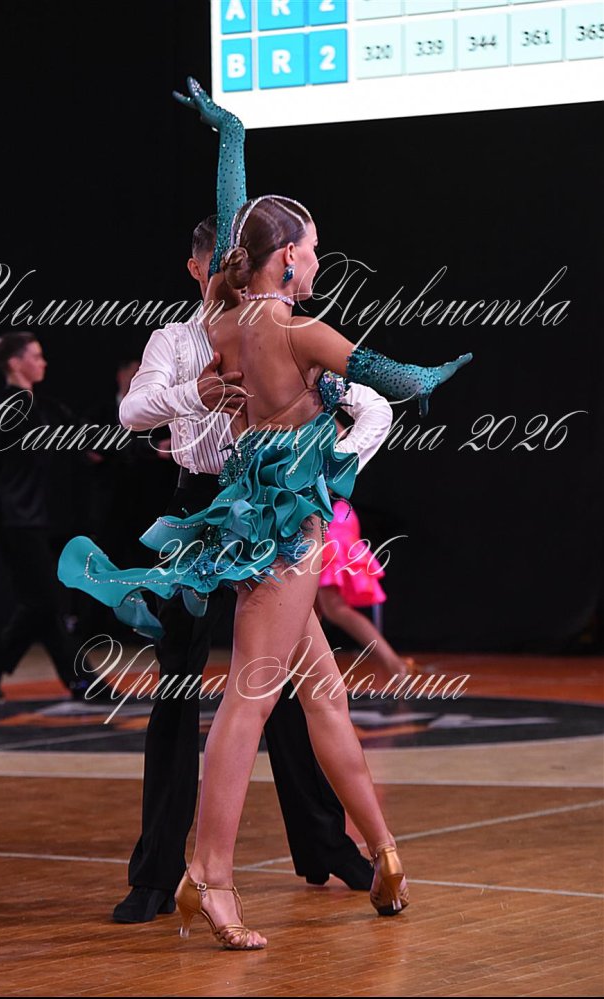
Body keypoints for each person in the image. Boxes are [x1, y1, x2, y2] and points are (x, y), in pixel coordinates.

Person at [57, 83, 473, 950]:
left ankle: (385, 851)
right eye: (312, 250)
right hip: (283, 535)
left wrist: (233, 135)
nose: (319, 261)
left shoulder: (226, 323)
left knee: (324, 695)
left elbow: (235, 224)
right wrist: (433, 378)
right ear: (285, 258)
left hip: (252, 519)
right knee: (248, 703)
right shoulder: (302, 333)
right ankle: (208, 878)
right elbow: (393, 377)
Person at [111, 214, 396, 923]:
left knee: (295, 690)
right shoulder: (178, 339)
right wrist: (195, 394)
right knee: (182, 686)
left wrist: (323, 472)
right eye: (218, 261)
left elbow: (374, 404)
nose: (230, 272)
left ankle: (327, 844)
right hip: (198, 512)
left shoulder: (282, 331)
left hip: (274, 516)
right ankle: (161, 872)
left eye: (237, 258)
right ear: (198, 267)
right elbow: (132, 411)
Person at [0, 333, 107, 701]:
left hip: (42, 517)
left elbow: (80, 434)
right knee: (48, 601)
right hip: (14, 517)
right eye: (36, 356)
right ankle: (83, 681)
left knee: (39, 604)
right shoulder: (2, 406)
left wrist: (128, 448)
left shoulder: (47, 408)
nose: (43, 362)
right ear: (15, 363)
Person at [316, 494, 418, 681]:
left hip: (331, 520)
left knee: (334, 608)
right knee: (318, 611)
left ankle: (395, 664)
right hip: (332, 516)